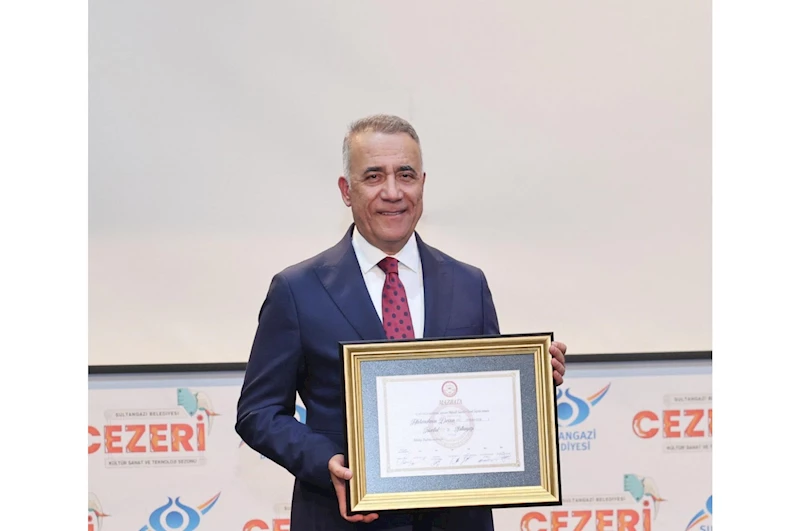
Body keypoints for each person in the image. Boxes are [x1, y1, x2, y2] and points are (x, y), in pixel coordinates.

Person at [236, 114, 567, 531]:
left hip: (457, 521)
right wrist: (325, 461)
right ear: (346, 190)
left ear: (422, 184)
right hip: (345, 520)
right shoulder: (297, 289)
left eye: (405, 175)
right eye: (374, 176)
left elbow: (485, 400)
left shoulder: (468, 283)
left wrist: (533, 381)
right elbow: (258, 412)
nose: (392, 192)